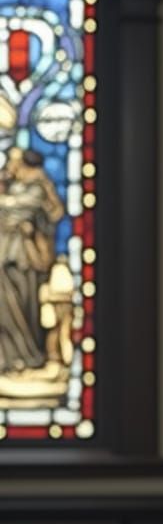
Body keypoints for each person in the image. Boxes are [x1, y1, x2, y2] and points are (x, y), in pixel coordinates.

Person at [0, 147, 64, 375]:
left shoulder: (37, 189)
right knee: (5, 309)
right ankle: (7, 358)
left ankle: (28, 355)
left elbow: (20, 210)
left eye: (14, 161)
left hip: (25, 259)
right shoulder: (14, 187)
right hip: (6, 257)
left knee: (24, 308)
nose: (10, 165)